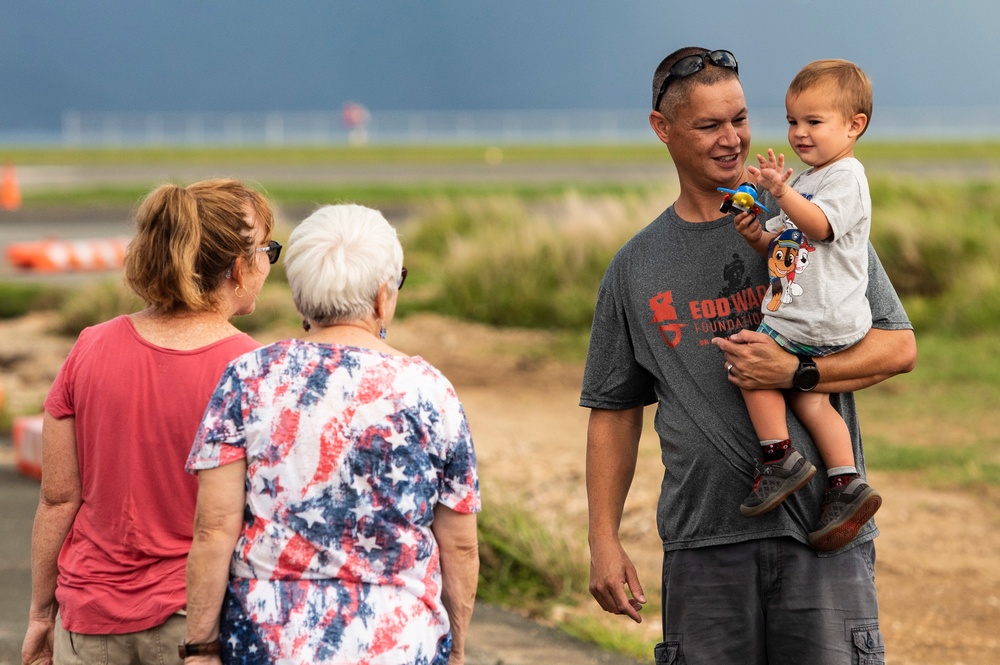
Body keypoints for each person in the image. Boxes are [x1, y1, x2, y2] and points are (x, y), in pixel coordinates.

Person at [581, 47, 916, 664]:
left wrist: (798, 372)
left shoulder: (810, 223)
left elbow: (899, 347)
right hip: (703, 543)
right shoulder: (635, 267)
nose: (731, 138)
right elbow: (614, 409)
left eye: (739, 118)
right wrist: (603, 540)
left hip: (822, 534)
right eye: (709, 125)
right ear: (663, 129)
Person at [181, 203, 481, 665]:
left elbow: (214, 529)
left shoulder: (248, 378)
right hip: (399, 641)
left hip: (270, 640)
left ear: (300, 298)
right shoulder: (431, 391)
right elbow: (459, 542)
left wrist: (201, 647)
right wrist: (456, 647)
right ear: (384, 296)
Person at [22, 179, 278, 665]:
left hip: (88, 621)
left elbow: (58, 499)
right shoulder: (253, 369)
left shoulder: (89, 347)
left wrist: (40, 614)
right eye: (269, 249)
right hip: (196, 623)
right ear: (239, 268)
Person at [732, 60, 881, 552]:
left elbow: (817, 227)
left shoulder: (846, 178)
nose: (799, 133)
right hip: (809, 315)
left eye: (813, 122)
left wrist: (779, 191)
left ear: (854, 125)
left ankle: (779, 459)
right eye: (793, 121)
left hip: (814, 318)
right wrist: (758, 232)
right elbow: (787, 242)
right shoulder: (812, 181)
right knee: (811, 399)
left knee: (749, 361)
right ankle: (845, 481)